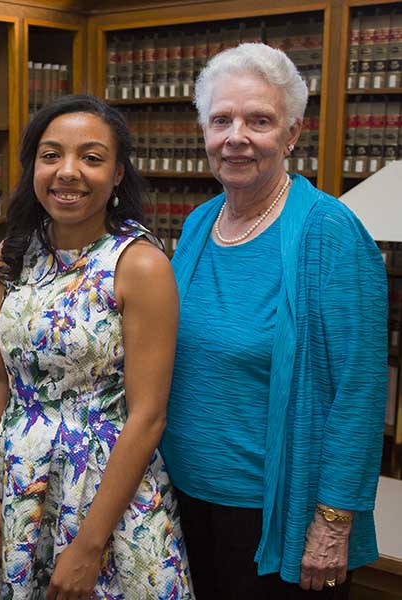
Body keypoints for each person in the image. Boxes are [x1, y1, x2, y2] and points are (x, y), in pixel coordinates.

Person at [159, 43, 387, 599]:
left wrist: (333, 522)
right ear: (205, 133)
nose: (236, 136)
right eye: (221, 120)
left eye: (258, 120)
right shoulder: (198, 223)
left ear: (290, 134)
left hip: (273, 513)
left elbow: (359, 391)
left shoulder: (329, 233)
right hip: (180, 499)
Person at [0, 94, 193, 600]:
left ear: (118, 173)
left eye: (91, 158)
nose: (67, 172)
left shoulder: (139, 265)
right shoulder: (12, 255)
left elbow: (148, 416)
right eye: (51, 155)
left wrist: (89, 546)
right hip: (21, 486)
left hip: (105, 495)